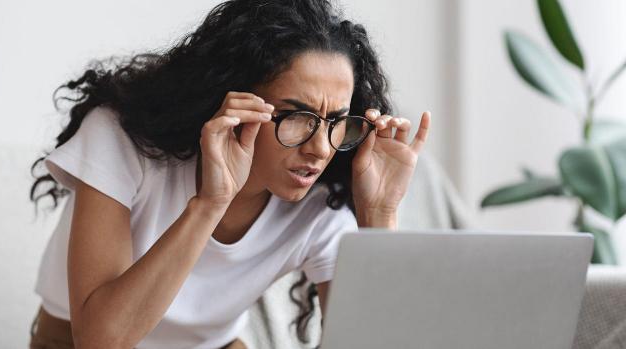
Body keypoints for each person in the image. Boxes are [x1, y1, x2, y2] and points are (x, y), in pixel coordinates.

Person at [28, 0, 431, 348]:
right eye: (295, 117)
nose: (320, 148)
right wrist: (209, 204)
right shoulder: (121, 138)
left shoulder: (324, 195)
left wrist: (379, 216)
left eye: (336, 121)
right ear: (235, 102)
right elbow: (101, 340)